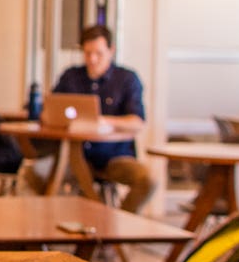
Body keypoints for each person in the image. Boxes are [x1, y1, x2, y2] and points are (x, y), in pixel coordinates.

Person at [20, 23, 156, 213]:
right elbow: (50, 111)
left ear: (111, 50)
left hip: (114, 158)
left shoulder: (127, 79)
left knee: (148, 180)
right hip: (71, 157)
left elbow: (137, 122)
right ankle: (64, 217)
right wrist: (46, 115)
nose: (92, 59)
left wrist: (103, 121)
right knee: (34, 173)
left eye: (98, 53)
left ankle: (118, 223)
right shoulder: (71, 77)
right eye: (87, 53)